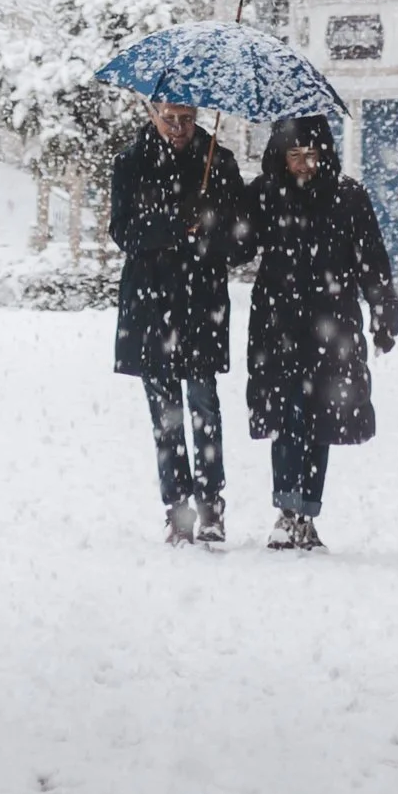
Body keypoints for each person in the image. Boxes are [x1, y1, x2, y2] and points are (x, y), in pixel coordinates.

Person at [245, 111, 398, 551]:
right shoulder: (266, 194)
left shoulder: (348, 197)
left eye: (311, 154)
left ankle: (306, 513)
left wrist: (384, 312)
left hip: (332, 324)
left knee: (320, 421)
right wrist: (214, 219)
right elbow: (239, 245)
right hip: (278, 323)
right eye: (294, 155)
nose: (304, 164)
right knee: (286, 415)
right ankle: (287, 510)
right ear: (281, 156)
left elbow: (372, 259)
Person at [109, 98, 249, 545]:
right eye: (169, 119)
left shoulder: (219, 163)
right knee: (165, 413)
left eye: (187, 120)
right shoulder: (130, 164)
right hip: (151, 306)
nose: (178, 128)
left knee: (204, 404)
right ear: (153, 115)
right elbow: (123, 231)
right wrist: (172, 224)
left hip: (201, 302)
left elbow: (242, 241)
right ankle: (177, 507)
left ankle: (211, 504)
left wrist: (210, 223)